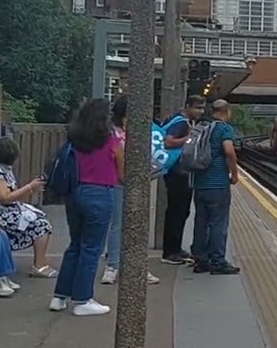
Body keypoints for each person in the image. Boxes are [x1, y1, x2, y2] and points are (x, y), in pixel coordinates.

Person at [50, 98, 122, 316]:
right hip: (100, 195)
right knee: (91, 248)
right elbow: (122, 173)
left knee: (75, 245)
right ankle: (83, 300)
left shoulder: (74, 140)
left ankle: (59, 296)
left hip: (75, 194)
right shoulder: (111, 141)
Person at [101, 96, 159, 285]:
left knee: (137, 224)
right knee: (117, 224)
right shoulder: (112, 132)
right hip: (117, 182)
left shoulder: (142, 130)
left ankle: (138, 266)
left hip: (138, 182)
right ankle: (113, 265)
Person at [0, 137, 58, 278]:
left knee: (39, 219)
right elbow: (4, 197)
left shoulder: (4, 170)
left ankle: (40, 264)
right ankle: (39, 265)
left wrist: (30, 190)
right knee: (41, 225)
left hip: (8, 210)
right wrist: (29, 187)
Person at [190, 99, 240, 275]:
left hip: (199, 184)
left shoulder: (203, 127)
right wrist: (234, 173)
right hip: (217, 185)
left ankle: (200, 260)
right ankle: (217, 262)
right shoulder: (224, 128)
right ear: (227, 111)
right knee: (218, 223)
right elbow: (228, 151)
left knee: (201, 222)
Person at [160, 96, 203, 265]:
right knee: (177, 211)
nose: (200, 112)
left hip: (178, 172)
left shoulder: (180, 121)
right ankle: (170, 252)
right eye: (197, 108)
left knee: (181, 211)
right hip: (177, 172)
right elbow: (168, 142)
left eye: (202, 108)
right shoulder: (181, 123)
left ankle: (175, 248)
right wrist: (189, 139)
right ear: (188, 107)